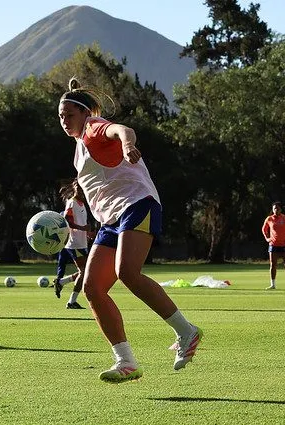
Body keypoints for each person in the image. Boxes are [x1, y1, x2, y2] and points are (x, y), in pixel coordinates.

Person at [58, 77, 202, 383]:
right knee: (93, 288)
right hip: (112, 220)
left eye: (69, 114)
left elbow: (121, 130)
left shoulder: (94, 127)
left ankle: (186, 331)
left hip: (137, 204)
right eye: (60, 116)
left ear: (85, 114)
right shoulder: (78, 148)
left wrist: (127, 144)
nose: (64, 120)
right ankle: (126, 361)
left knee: (127, 273)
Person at [52, 180, 93, 310]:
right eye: (78, 189)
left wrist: (87, 233)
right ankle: (71, 302)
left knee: (86, 271)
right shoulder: (72, 202)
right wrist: (83, 228)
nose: (81, 191)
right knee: (85, 271)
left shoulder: (82, 204)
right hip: (74, 243)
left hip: (81, 242)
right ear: (75, 189)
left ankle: (61, 282)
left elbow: (79, 222)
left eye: (82, 189)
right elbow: (68, 222)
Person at [261, 201, 285, 290]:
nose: (276, 210)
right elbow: (264, 229)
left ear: (281, 209)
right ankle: (272, 284)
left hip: (284, 245)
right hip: (273, 245)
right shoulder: (269, 219)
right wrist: (267, 238)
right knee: (273, 265)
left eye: (277, 208)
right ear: (272, 209)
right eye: (274, 208)